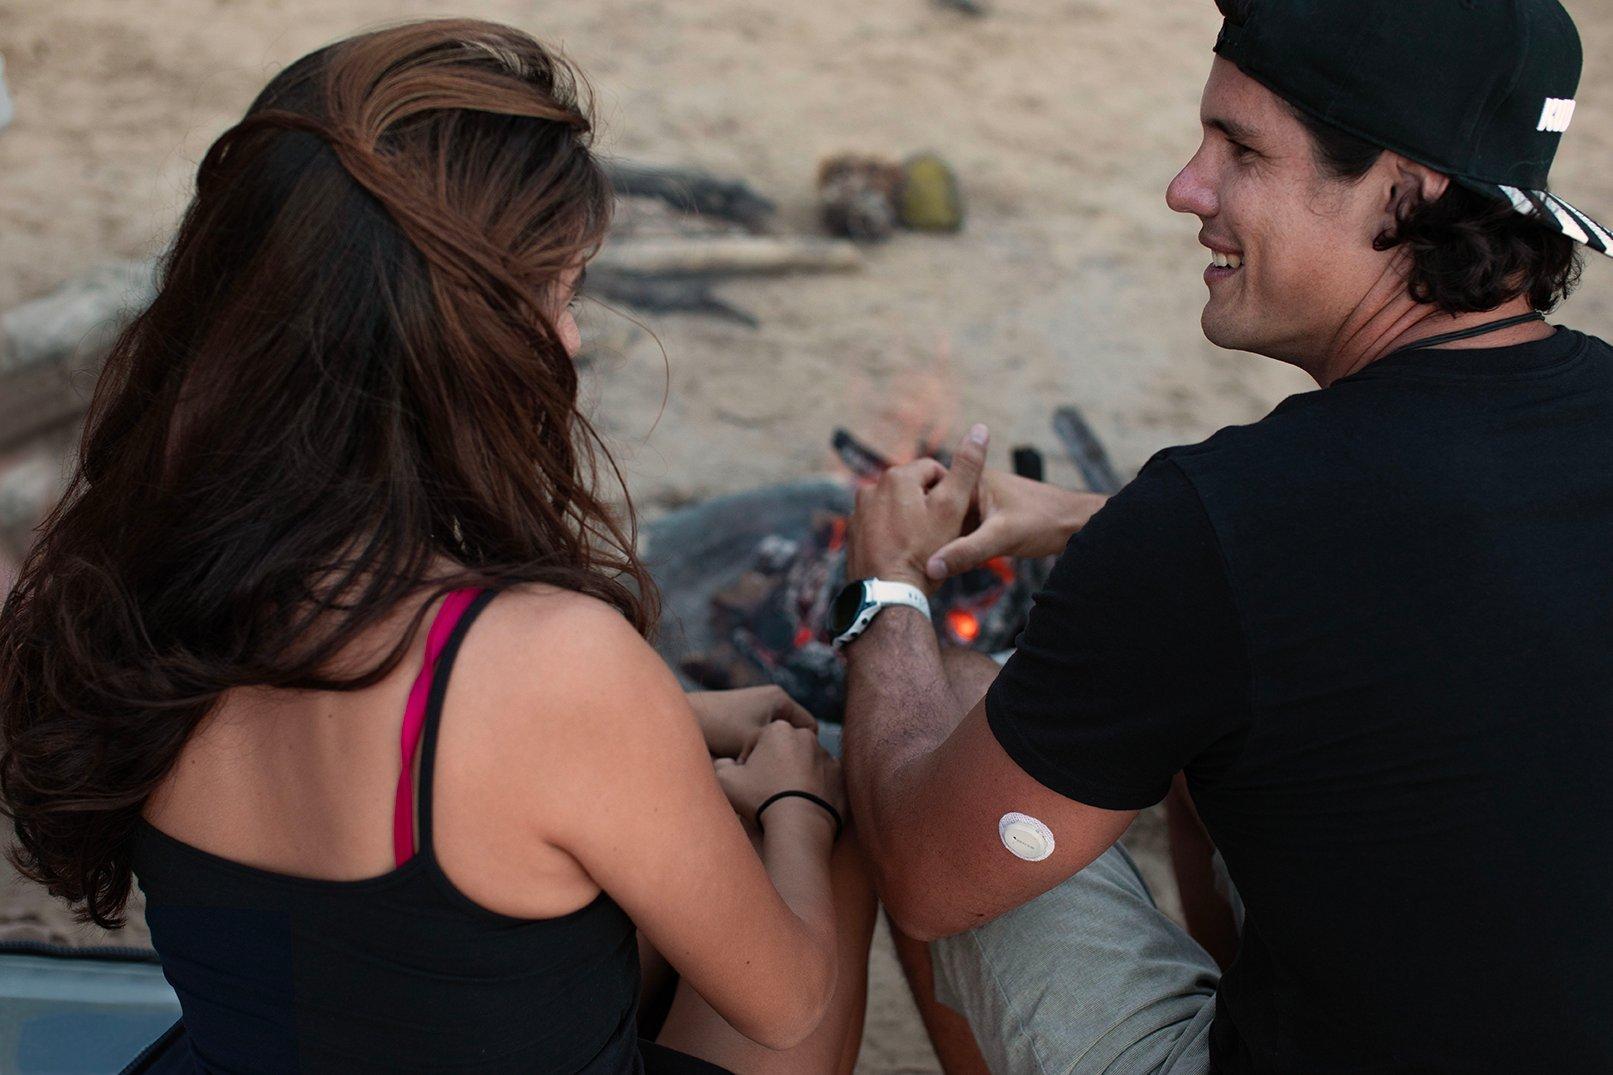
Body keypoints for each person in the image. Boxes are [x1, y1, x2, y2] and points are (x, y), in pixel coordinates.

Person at [0, 20, 874, 1074]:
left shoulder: (131, 567)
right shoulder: (551, 661)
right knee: (829, 856)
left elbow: (361, 743)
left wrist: (667, 728)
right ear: (463, 340)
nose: (572, 338)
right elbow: (785, 1004)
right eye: (563, 292)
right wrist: (794, 804)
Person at [839, 0, 1613, 1070]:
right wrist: (1089, 523)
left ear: (1405, 189)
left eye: (1239, 148)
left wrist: (886, 596)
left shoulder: (1226, 514)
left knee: (944, 712)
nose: (1184, 187)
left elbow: (930, 877)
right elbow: (1450, 565)